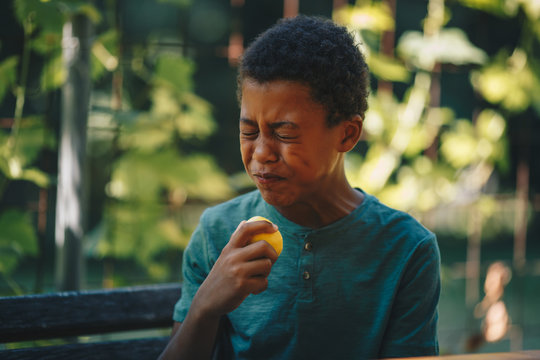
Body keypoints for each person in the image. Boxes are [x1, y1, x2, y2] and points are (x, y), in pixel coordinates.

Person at [159, 15, 440, 360]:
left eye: (285, 133)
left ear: (347, 134)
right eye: (249, 131)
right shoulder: (218, 234)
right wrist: (205, 307)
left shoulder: (407, 250)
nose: (261, 152)